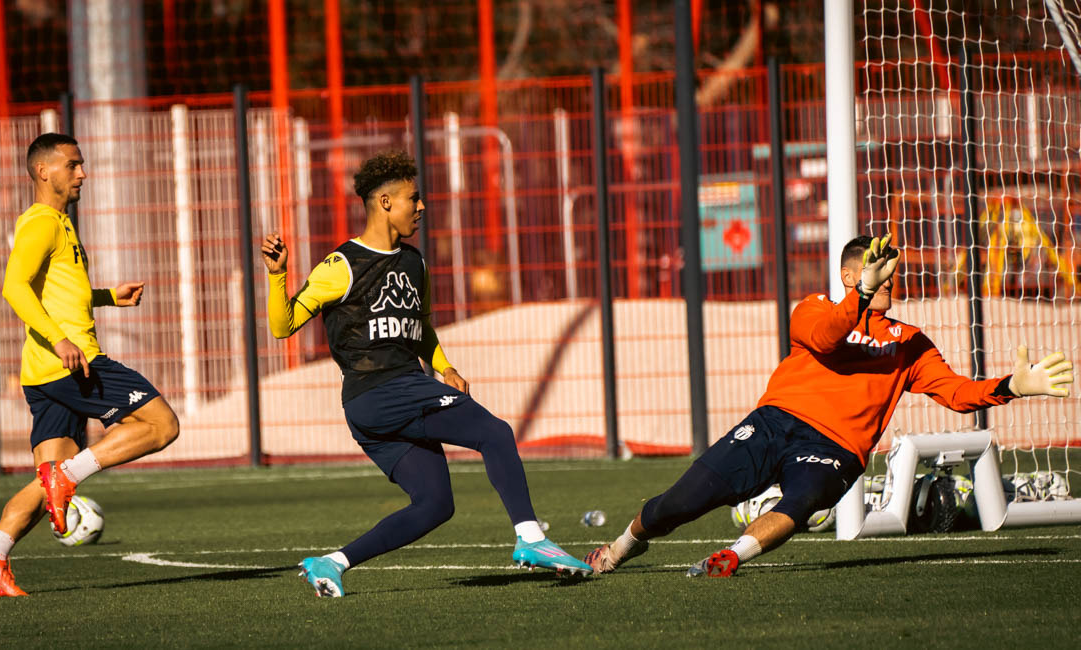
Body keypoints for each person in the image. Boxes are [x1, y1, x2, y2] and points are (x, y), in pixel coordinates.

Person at [585, 233, 1073, 578]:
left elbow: (956, 393)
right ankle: (623, 546)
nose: (889, 280)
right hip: (775, 422)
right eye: (877, 271)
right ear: (849, 275)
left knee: (800, 503)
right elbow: (825, 337)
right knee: (679, 503)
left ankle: (730, 558)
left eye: (891, 273)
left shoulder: (908, 341)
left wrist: (1012, 385)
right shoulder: (814, 308)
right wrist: (861, 296)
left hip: (836, 448)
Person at [263, 150, 592, 598]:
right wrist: (277, 276)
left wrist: (444, 366)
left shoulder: (414, 262)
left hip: (385, 401)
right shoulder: (341, 266)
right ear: (385, 203)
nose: (421, 206)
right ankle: (532, 539)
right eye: (412, 198)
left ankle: (331, 563)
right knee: (495, 434)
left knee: (435, 505)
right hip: (381, 391)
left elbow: (419, 327)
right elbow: (282, 326)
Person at [0, 134, 180, 597]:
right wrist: (60, 339)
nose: (82, 173)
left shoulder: (59, 223)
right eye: (72, 165)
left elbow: (58, 292)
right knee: (162, 425)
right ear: (44, 171)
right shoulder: (42, 222)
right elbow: (14, 286)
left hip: (44, 372)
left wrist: (108, 296)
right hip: (71, 362)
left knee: (46, 484)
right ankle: (65, 478)